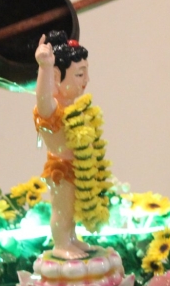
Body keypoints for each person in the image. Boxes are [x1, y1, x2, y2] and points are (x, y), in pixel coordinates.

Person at [34, 31, 112, 259]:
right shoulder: (52, 111)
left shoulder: (77, 109)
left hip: (79, 167)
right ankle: (61, 243)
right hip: (62, 170)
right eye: (79, 74)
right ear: (58, 77)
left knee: (73, 211)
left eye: (86, 73)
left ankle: (71, 238)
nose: (86, 81)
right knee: (63, 210)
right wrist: (45, 68)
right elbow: (43, 98)